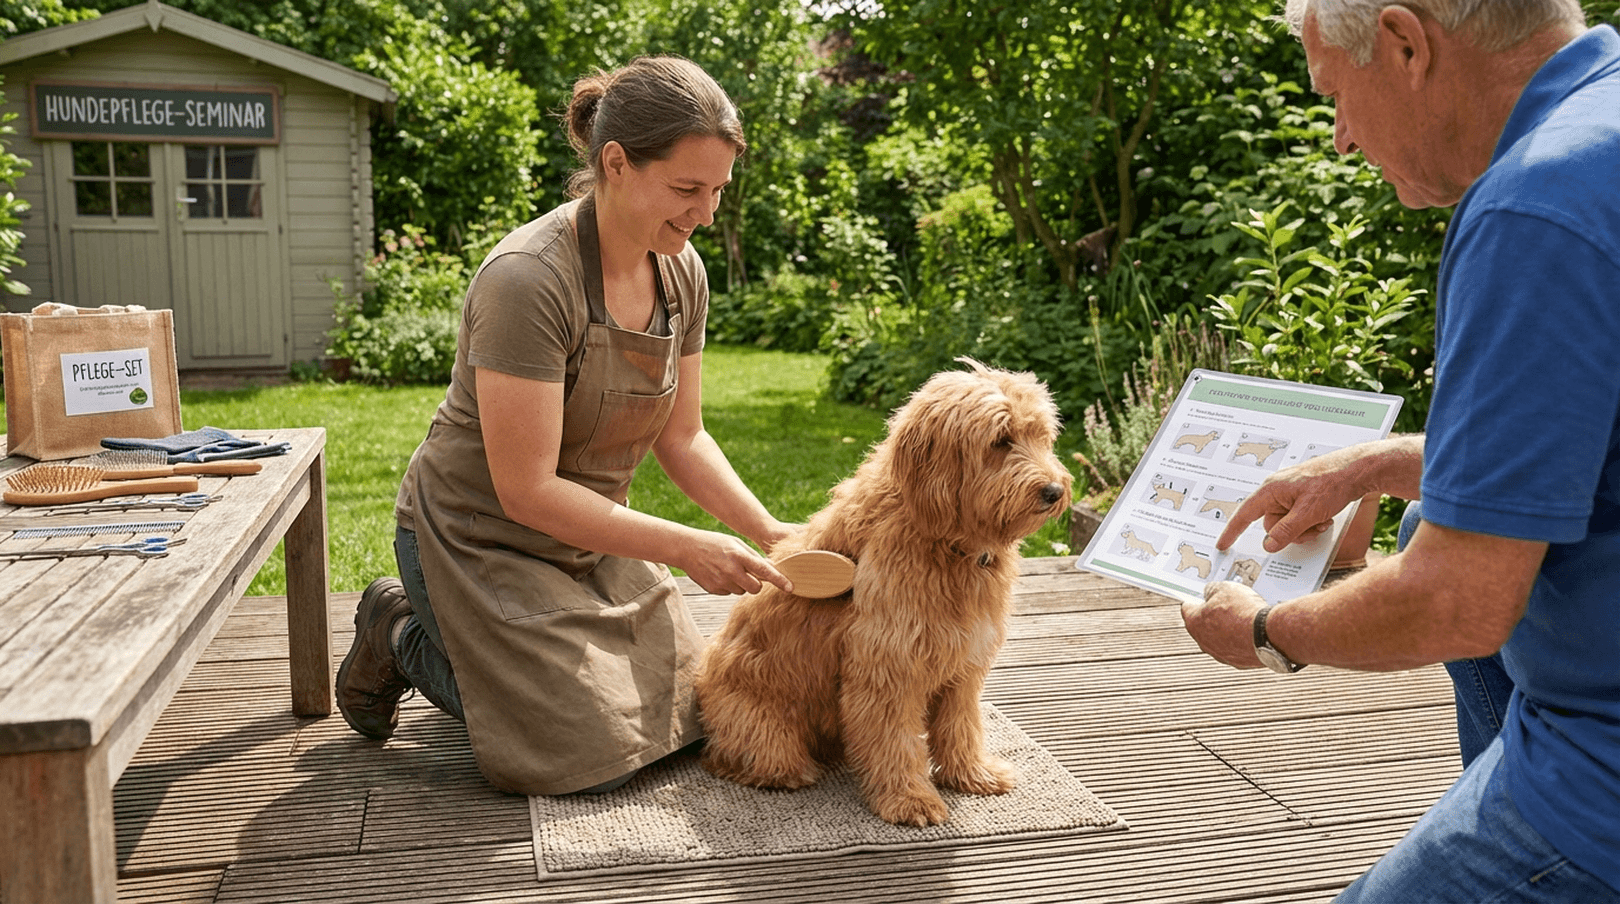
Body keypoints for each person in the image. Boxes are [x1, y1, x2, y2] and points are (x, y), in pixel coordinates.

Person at [1179, 0, 1620, 900]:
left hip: (1602, 774)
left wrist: (1264, 633)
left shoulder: (1537, 205)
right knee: (1426, 507)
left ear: (1405, 42)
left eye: (1337, 97)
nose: (1341, 139)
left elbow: (1454, 601)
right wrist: (1375, 464)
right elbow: (1583, 436)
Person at [335, 56, 795, 797]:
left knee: (693, 711)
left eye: (717, 191)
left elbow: (684, 438)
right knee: (576, 746)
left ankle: (507, 659)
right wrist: (685, 546)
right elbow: (526, 491)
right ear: (615, 162)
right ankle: (399, 630)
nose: (705, 213)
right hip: (475, 536)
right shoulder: (527, 280)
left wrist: (773, 532)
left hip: (591, 539)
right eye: (686, 188)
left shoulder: (683, 273)